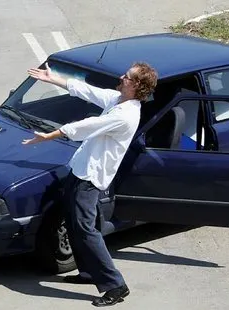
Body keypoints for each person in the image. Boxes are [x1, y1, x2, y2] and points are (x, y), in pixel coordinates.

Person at [22, 62, 158, 307]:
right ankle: (88, 272)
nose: (121, 76)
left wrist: (51, 135)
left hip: (90, 178)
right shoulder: (118, 99)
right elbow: (86, 90)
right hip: (81, 170)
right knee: (78, 224)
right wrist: (52, 79)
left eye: (126, 76)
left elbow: (87, 126)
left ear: (136, 85)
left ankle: (115, 285)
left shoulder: (125, 115)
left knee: (85, 230)